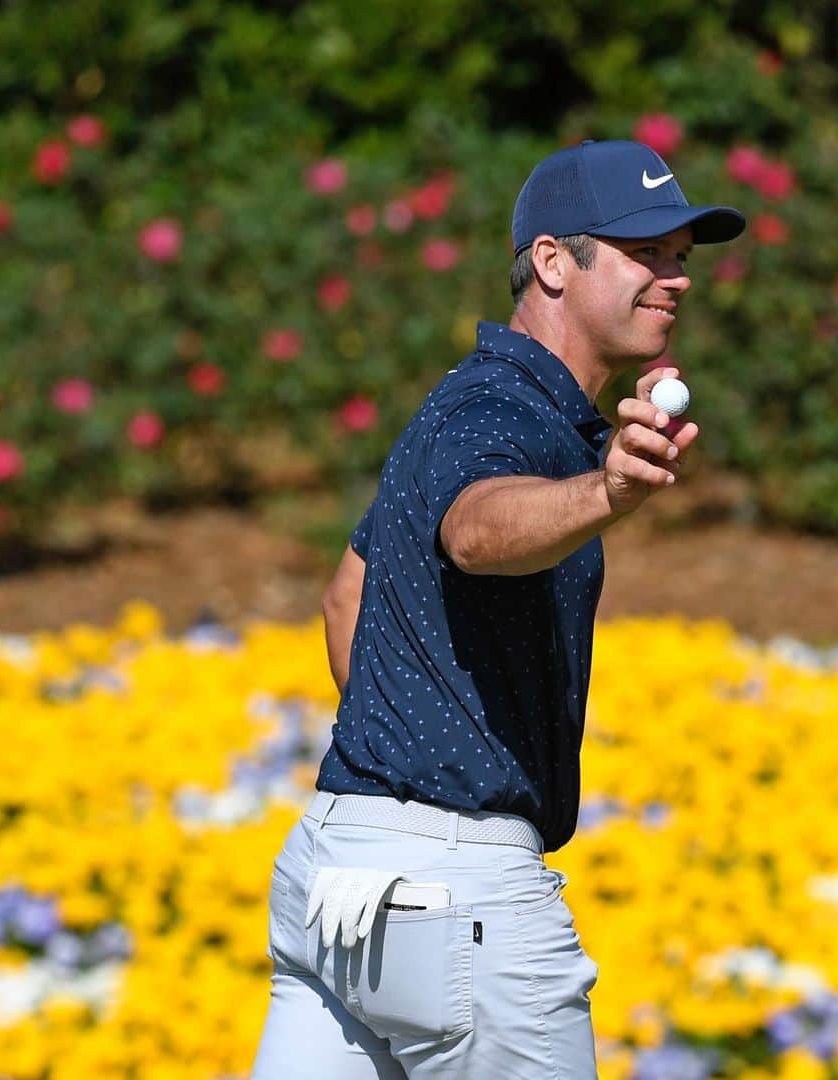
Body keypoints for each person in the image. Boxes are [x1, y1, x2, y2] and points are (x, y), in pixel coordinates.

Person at [251, 138, 745, 1079]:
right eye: (647, 252)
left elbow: (347, 594)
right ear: (555, 262)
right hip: (457, 902)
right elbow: (477, 532)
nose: (676, 277)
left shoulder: (463, 402)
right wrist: (605, 495)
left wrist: (410, 763)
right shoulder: (507, 413)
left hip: (337, 870)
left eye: (683, 255)